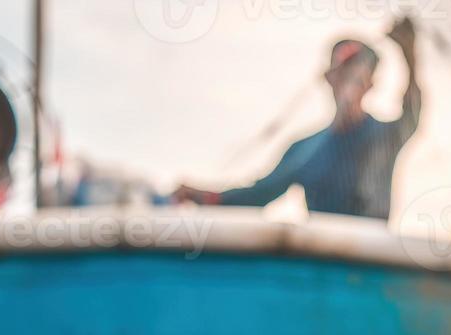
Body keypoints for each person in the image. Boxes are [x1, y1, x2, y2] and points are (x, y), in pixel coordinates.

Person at [174, 17, 420, 221]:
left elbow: (412, 113)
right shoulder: (304, 149)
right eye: (343, 72)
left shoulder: (384, 136)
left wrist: (410, 55)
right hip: (320, 267)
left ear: (371, 85)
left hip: (370, 265)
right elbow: (258, 195)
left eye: (358, 77)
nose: (350, 82)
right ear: (328, 78)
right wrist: (203, 196)